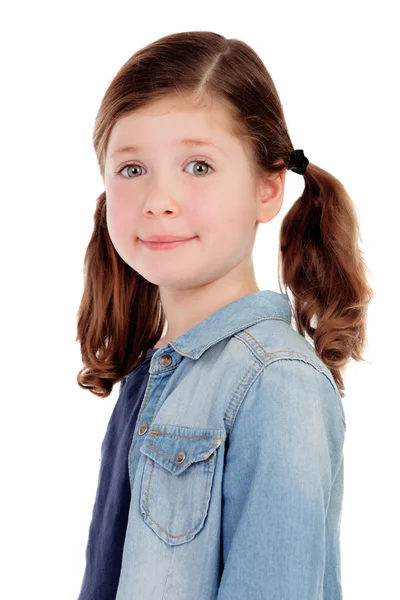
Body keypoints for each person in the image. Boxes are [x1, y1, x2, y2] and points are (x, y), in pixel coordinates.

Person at [75, 31, 373, 600]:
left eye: (198, 166)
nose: (160, 199)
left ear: (268, 188)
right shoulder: (152, 374)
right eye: (132, 169)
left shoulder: (276, 383)